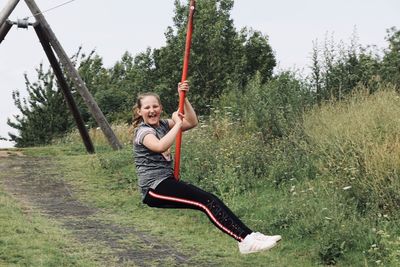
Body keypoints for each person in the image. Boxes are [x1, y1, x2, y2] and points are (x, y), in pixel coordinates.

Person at [132, 81, 281, 254]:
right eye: (147, 107)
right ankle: (245, 240)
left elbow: (192, 122)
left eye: (155, 106)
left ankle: (249, 236)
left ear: (160, 107)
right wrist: (178, 124)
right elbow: (159, 146)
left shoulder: (163, 125)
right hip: (153, 189)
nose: (152, 110)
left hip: (166, 182)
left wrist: (184, 98)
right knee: (206, 201)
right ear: (139, 111)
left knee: (209, 199)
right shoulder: (143, 132)